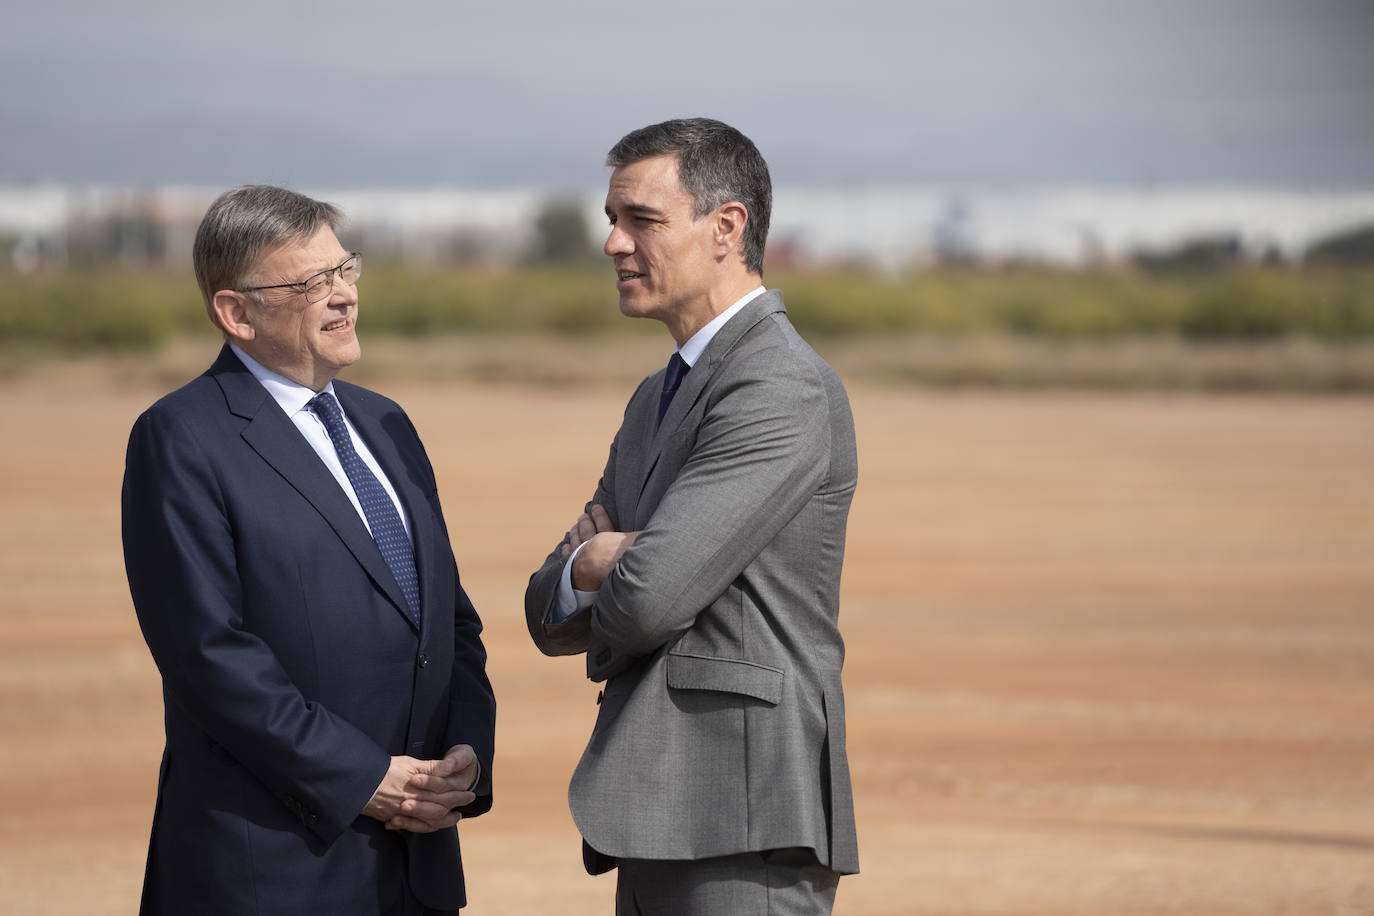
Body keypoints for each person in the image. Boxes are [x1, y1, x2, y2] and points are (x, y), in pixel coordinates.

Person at [122, 185, 495, 915]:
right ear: (236, 313)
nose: (343, 297)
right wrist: (364, 779)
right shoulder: (182, 438)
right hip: (271, 869)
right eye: (309, 283)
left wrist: (466, 759)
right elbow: (211, 655)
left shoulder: (387, 425)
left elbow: (450, 625)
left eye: (346, 271)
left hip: (414, 866)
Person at [524, 118, 859, 914]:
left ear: (726, 228)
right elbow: (546, 610)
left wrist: (610, 561)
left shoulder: (778, 386)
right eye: (612, 220)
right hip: (657, 818)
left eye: (641, 220)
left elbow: (651, 597)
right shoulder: (656, 395)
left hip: (742, 823)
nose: (613, 242)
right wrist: (589, 564)